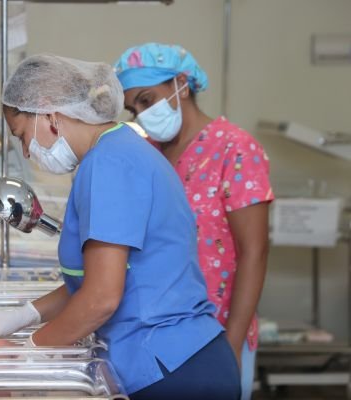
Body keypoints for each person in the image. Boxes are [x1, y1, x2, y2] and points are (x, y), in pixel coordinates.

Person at [0, 54, 240, 400]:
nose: (27, 152)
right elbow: (96, 279)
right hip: (180, 359)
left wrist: (27, 352)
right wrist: (22, 316)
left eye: (22, 136)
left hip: (172, 368)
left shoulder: (109, 164)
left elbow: (102, 297)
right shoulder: (117, 150)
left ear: (48, 113)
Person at [114, 42, 273, 400]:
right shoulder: (148, 154)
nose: (142, 114)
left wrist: (231, 345)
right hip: (152, 336)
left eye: (147, 100)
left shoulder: (235, 150)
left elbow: (255, 252)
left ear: (181, 85)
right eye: (133, 108)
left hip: (217, 333)